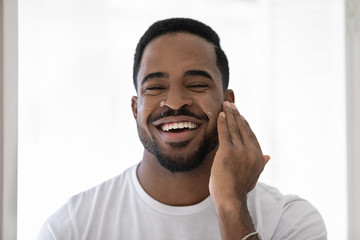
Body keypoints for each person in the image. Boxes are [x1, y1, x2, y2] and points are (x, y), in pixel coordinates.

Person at [37, 18, 327, 240]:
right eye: (155, 87)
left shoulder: (290, 221)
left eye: (197, 84)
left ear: (228, 104)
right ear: (134, 108)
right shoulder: (71, 227)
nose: (174, 102)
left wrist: (231, 206)